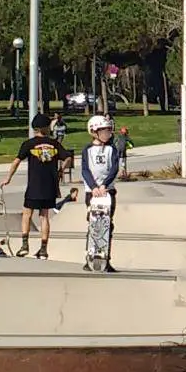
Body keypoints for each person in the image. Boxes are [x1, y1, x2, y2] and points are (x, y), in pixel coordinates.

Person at [0, 113, 72, 259]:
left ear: (34, 128)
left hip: (34, 186)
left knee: (27, 214)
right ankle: (44, 248)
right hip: (50, 186)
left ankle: (25, 245)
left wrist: (8, 178)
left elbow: (16, 161)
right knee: (44, 216)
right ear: (46, 128)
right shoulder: (54, 144)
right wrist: (61, 170)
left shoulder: (29, 144)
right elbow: (68, 157)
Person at [81, 115, 120, 271]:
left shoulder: (112, 149)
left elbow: (114, 169)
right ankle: (89, 258)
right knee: (93, 224)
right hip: (92, 192)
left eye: (108, 131)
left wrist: (104, 185)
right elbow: (85, 170)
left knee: (107, 225)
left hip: (108, 191)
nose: (107, 134)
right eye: (103, 131)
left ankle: (106, 259)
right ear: (94, 132)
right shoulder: (87, 150)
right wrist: (93, 186)